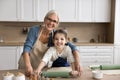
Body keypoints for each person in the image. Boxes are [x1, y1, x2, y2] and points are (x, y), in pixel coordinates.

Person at [18, 10, 82, 77]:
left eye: (54, 21)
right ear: (45, 19)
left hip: (40, 67)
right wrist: (28, 65)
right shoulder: (34, 30)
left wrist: (77, 63)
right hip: (26, 64)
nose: (51, 23)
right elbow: (27, 48)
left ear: (57, 24)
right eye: (49, 19)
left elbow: (73, 47)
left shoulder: (55, 35)